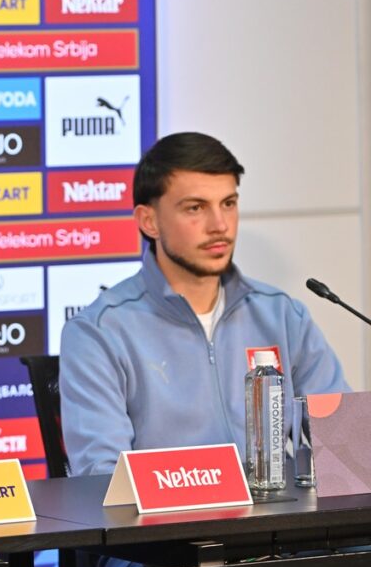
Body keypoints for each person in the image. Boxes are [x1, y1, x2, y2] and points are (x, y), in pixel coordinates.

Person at [60, 132, 349, 477]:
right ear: (149, 221)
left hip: (279, 524)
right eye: (195, 208)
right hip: (171, 528)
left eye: (228, 203)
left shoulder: (283, 315)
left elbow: (347, 452)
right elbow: (102, 480)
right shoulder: (99, 332)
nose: (220, 226)